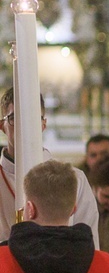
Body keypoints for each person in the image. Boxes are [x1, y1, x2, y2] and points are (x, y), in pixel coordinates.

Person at [0, 88, 99, 246]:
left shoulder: (74, 179)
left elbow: (89, 246)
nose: (24, 126)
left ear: (43, 124)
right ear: (2, 126)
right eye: (14, 118)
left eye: (32, 118)